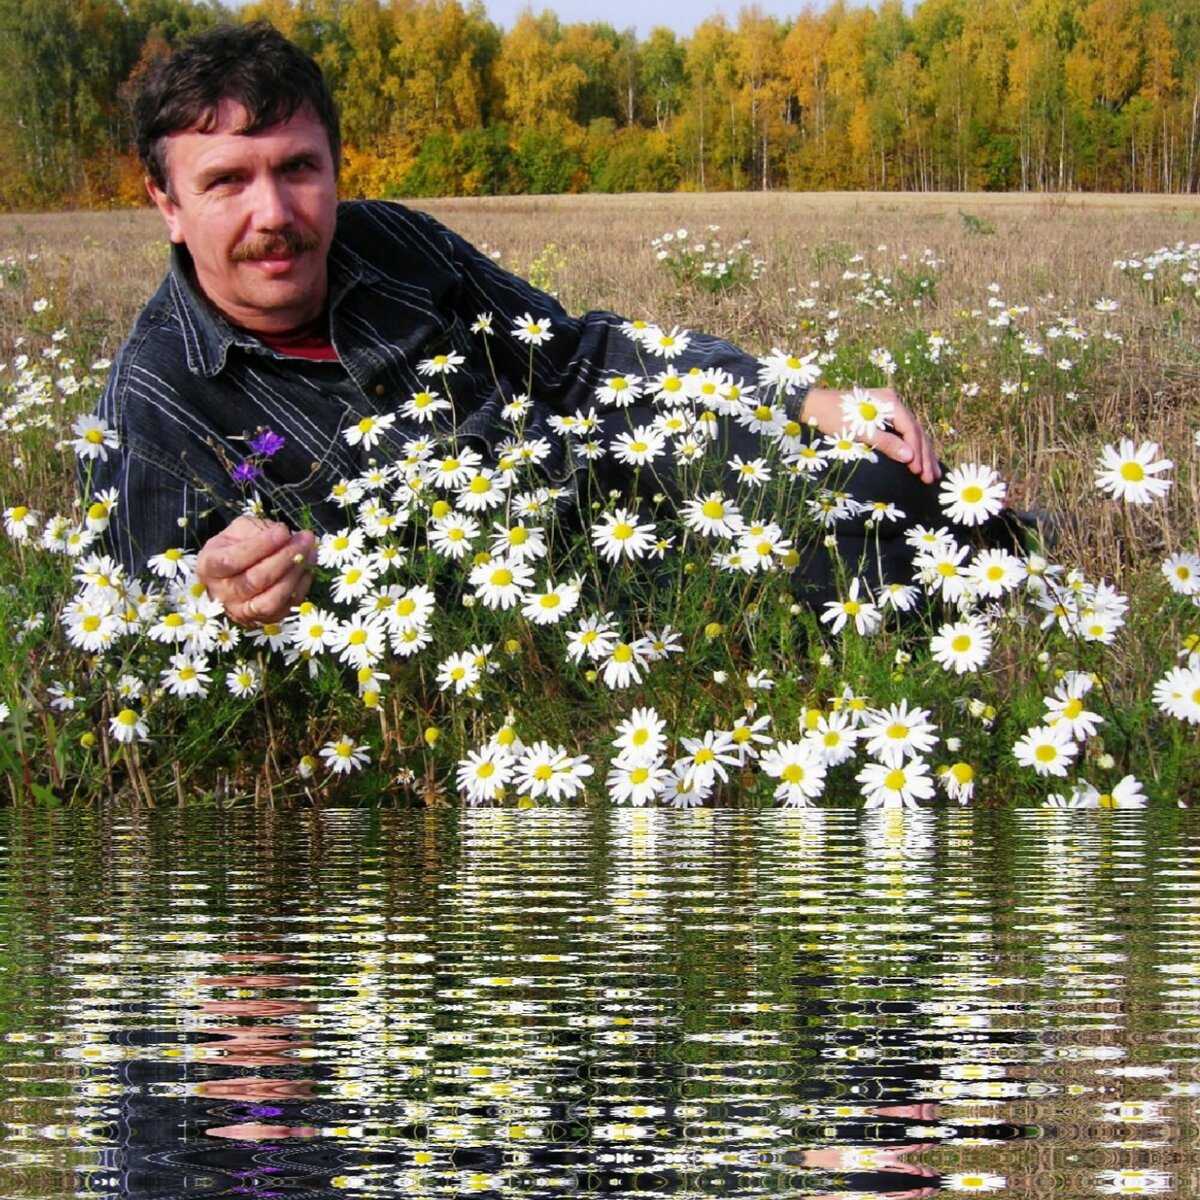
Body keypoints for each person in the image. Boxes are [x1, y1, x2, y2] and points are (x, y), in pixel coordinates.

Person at [91, 22, 949, 629]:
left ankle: (976, 544)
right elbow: (134, 608)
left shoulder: (392, 241)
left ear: (336, 167)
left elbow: (582, 353)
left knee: (874, 484)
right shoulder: (156, 394)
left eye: (298, 169)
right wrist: (214, 590)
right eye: (227, 182)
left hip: (611, 504)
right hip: (497, 627)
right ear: (167, 204)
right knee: (847, 581)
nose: (274, 212)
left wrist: (800, 395)